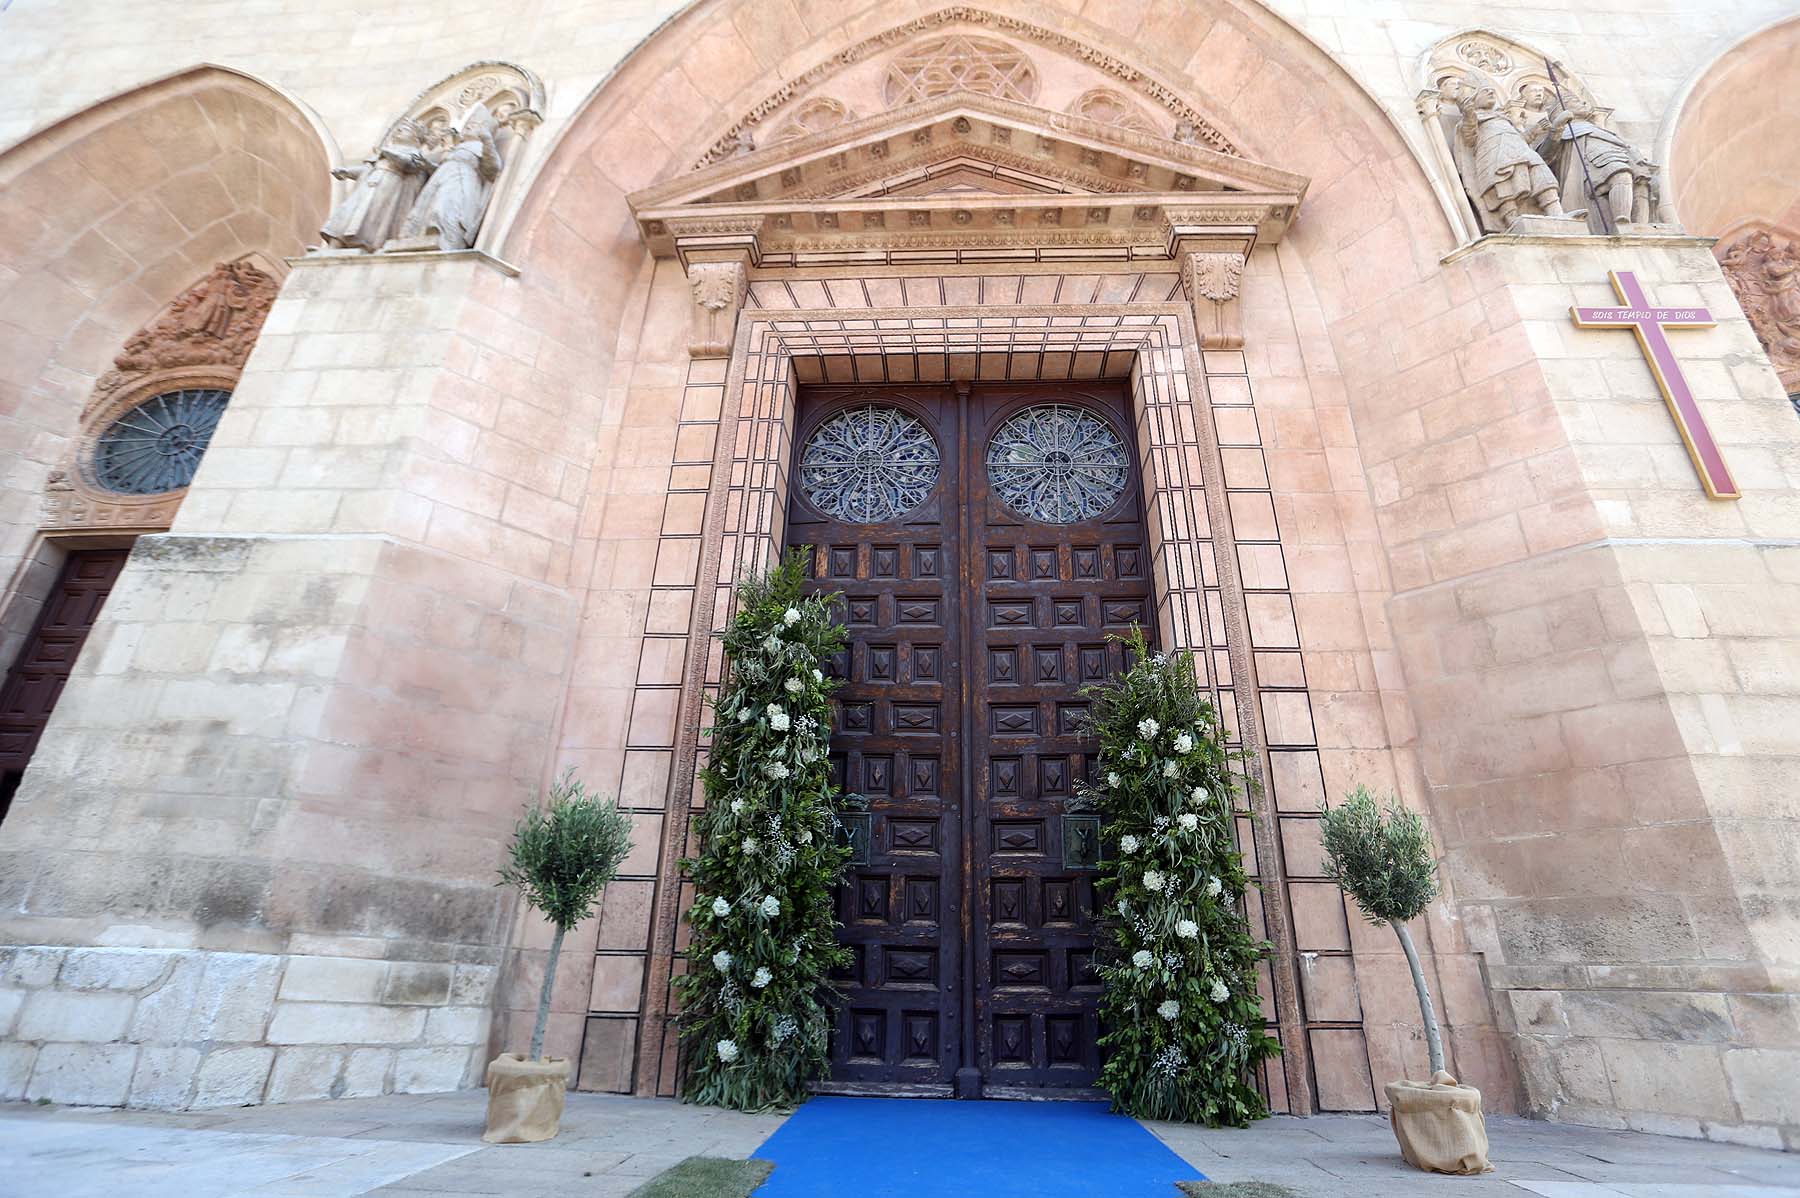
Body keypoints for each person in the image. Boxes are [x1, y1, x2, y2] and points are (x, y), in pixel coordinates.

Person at [319, 120, 431, 252]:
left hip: (388, 185)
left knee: (372, 217)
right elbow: (368, 169)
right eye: (398, 129)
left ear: (415, 138)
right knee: (348, 211)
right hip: (368, 184)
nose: (398, 131)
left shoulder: (414, 153)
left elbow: (409, 165)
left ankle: (363, 246)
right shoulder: (386, 151)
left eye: (404, 129)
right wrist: (347, 172)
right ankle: (333, 246)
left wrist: (387, 152)